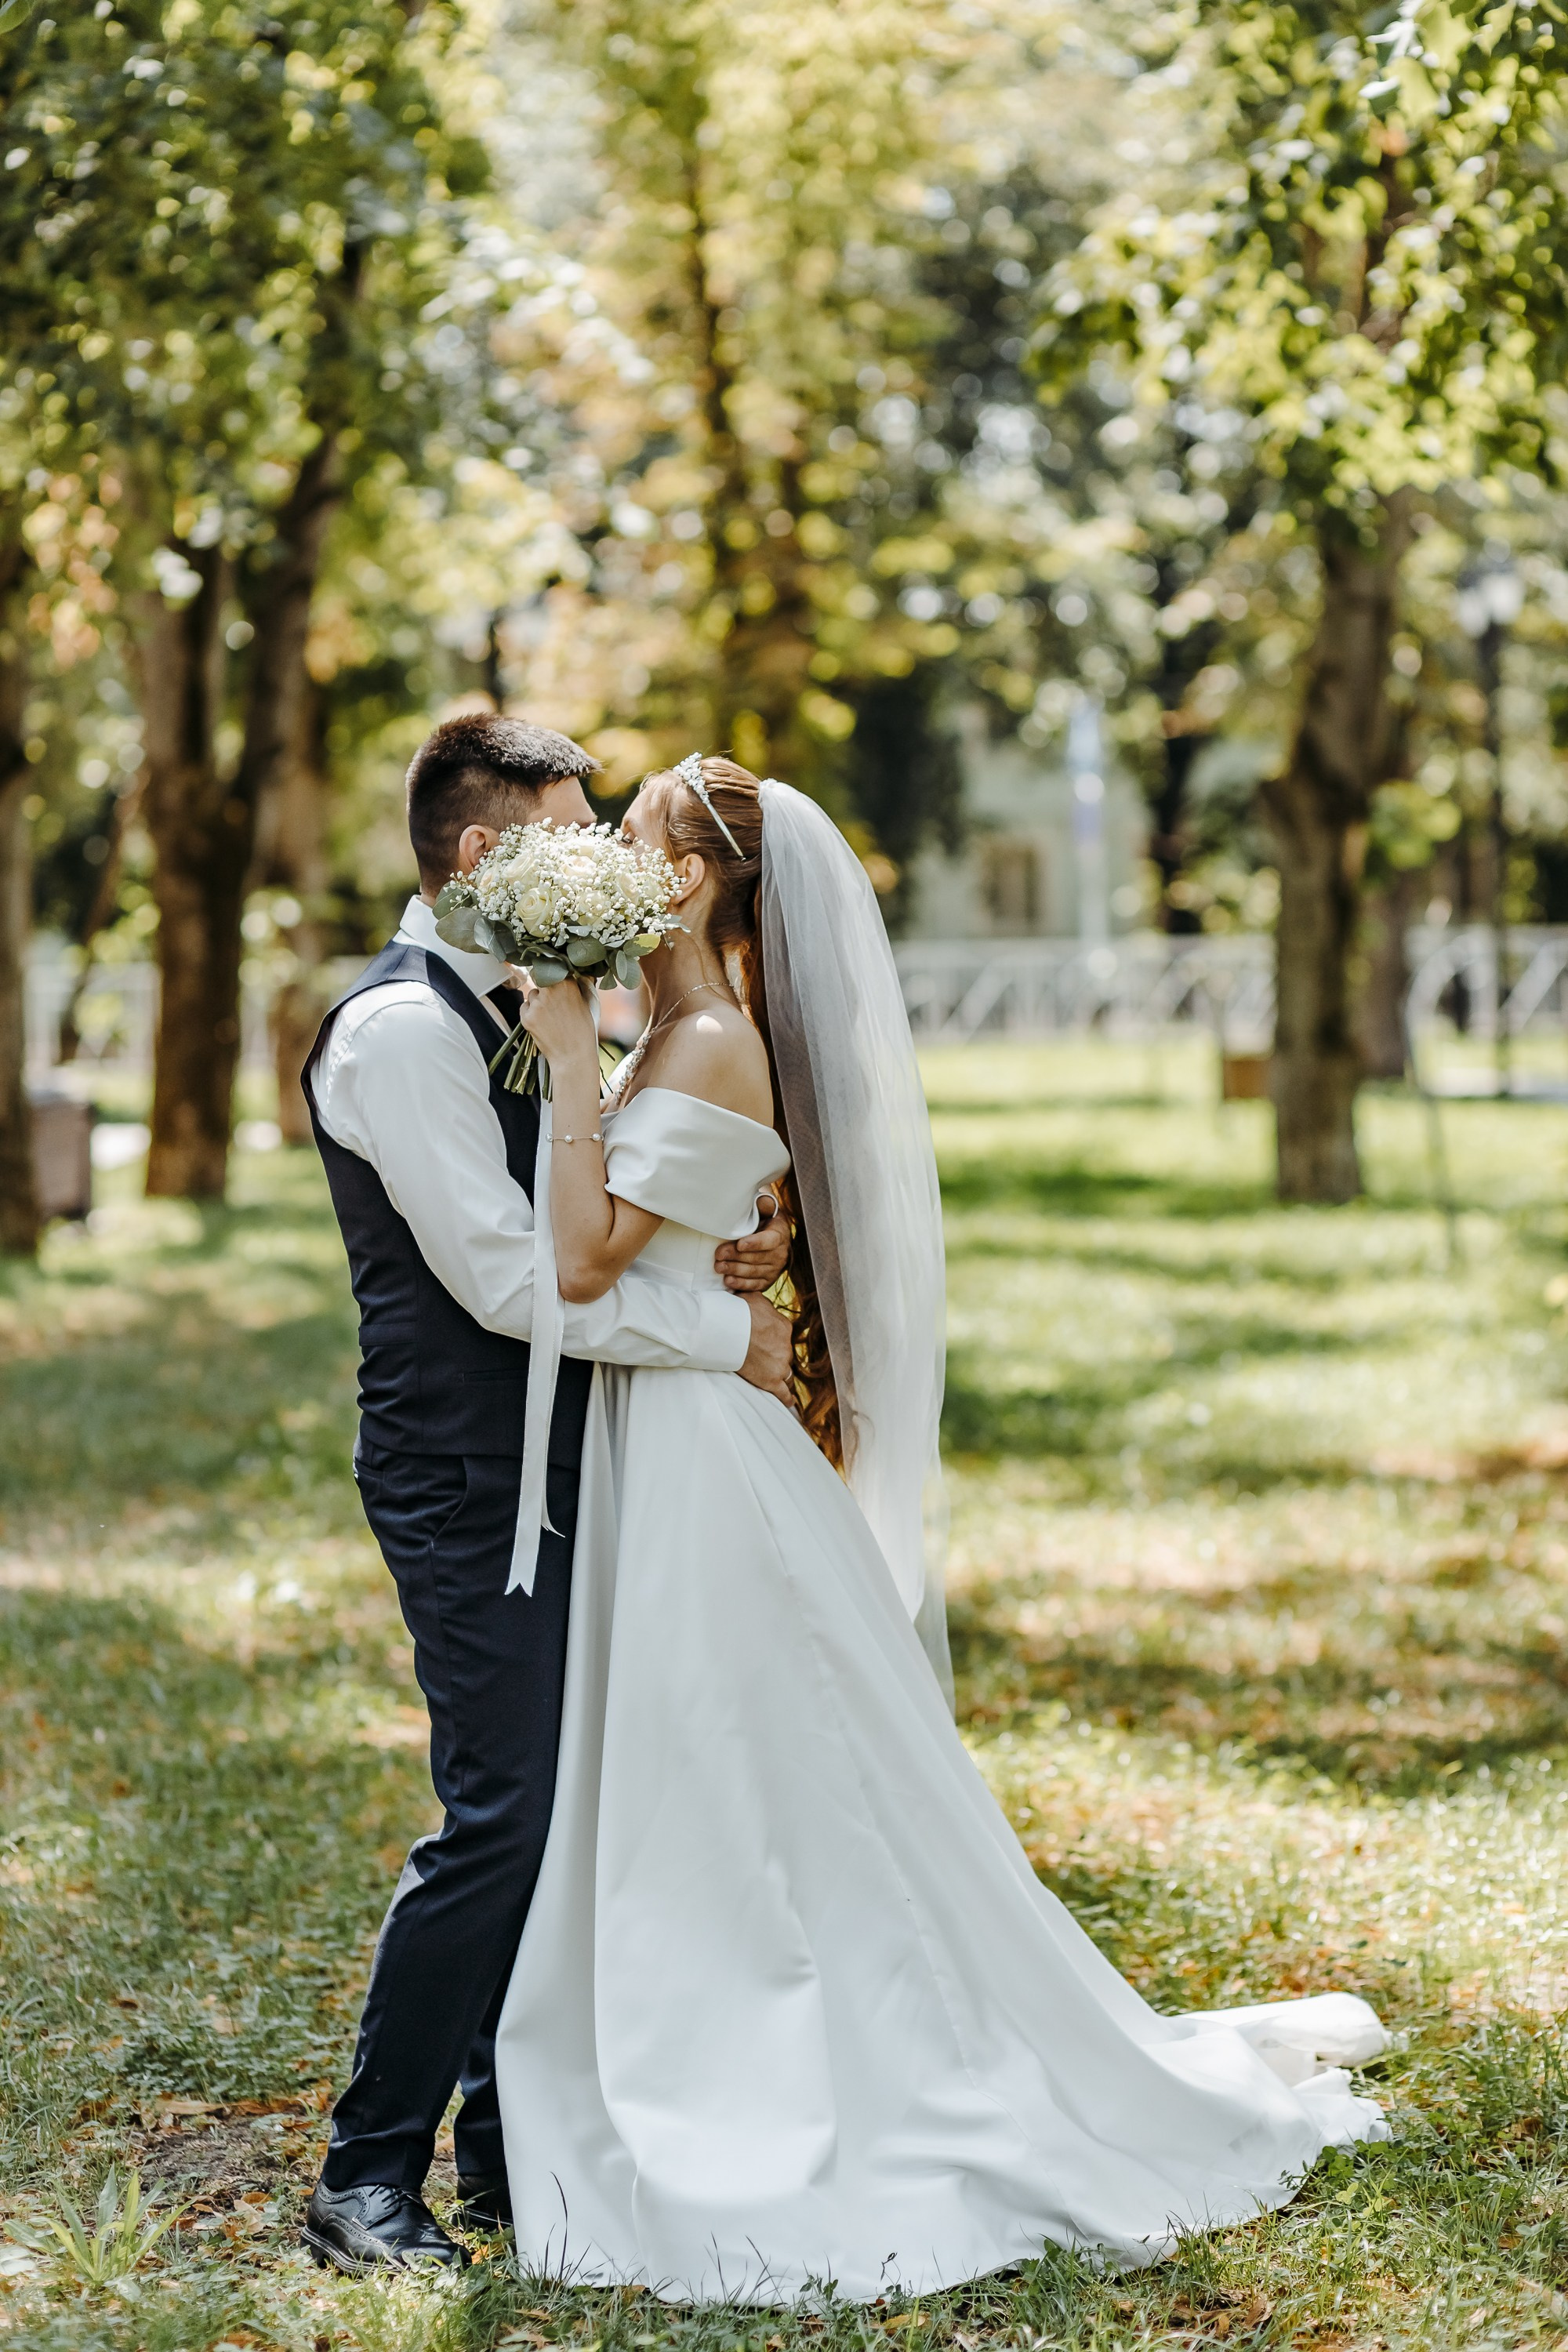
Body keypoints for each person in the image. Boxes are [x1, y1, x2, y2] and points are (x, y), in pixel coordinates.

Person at [492, 755, 1390, 2303]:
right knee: (720, 1767)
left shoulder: (697, 1045)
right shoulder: (687, 1039)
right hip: (684, 1432)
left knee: (746, 1766)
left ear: (691, 883)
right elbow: (655, 1240)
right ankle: (706, 2021)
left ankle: (786, 2060)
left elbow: (578, 1266)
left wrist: (568, 1049)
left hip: (706, 1458)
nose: (606, 869)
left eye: (626, 847)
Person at [298, 720, 794, 2274]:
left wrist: (717, 1238)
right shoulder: (400, 1035)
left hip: (589, 1446)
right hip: (465, 1468)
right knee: (504, 1810)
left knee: (575, 1810)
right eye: (570, 839)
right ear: (477, 860)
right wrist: (731, 1334)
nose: (602, 869)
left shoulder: (527, 1004)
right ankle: (365, 2176)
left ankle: (520, 2152)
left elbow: (600, 1209)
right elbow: (517, 1281)